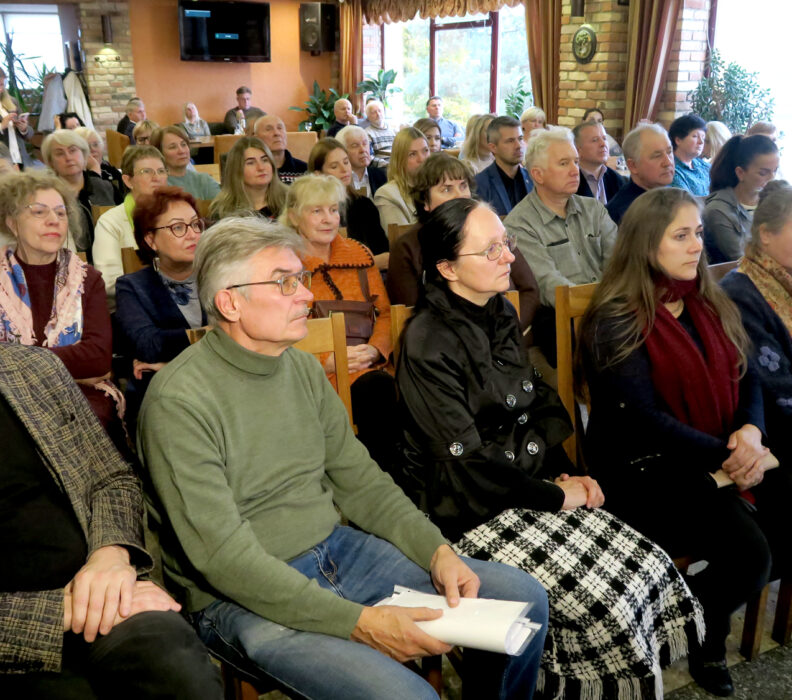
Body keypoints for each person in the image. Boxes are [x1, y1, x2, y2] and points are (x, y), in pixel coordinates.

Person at [137, 216, 549, 700]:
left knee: (524, 599)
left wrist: (436, 551)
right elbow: (223, 558)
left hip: (334, 550)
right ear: (230, 302)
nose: (307, 296)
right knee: (408, 697)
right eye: (285, 283)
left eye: (303, 278)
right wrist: (360, 623)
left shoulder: (299, 369)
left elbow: (361, 480)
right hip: (238, 596)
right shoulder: (179, 401)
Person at [397, 197, 704, 699]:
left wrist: (562, 475)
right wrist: (555, 496)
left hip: (520, 481)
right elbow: (467, 463)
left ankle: (564, 687)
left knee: (646, 565)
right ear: (448, 268)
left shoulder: (496, 308)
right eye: (490, 249)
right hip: (462, 507)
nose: (507, 258)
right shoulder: (427, 341)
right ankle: (545, 685)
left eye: (506, 243)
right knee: (599, 599)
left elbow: (538, 404)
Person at [579, 186, 790, 697]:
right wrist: (732, 453)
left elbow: (747, 377)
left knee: (785, 526)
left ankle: (676, 618)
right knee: (751, 555)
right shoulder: (617, 317)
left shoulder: (704, 299)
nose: (697, 245)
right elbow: (643, 421)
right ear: (647, 244)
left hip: (713, 455)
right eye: (681, 235)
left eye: (697, 232)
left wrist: (751, 432)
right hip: (644, 468)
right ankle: (702, 636)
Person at [0, 343, 223, 700]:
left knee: (180, 671)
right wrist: (66, 610)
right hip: (20, 632)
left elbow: (112, 478)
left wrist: (112, 553)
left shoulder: (31, 369)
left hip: (108, 592)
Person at [281, 173, 397, 463]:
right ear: (294, 216)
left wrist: (375, 350)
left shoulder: (359, 254)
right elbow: (277, 330)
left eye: (333, 210)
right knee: (377, 392)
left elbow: (385, 314)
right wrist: (327, 362)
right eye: (316, 211)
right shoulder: (282, 263)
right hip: (312, 374)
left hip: (368, 364)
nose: (328, 219)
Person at [0, 171, 120, 430]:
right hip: (8, 401)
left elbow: (98, 358)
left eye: (61, 212)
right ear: (12, 222)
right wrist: (68, 362)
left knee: (86, 419)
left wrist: (17, 362)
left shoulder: (88, 279)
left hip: (79, 396)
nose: (54, 220)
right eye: (39, 212)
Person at [387, 152, 539, 334]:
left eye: (463, 185)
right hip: (447, 348)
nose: (460, 195)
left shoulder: (491, 229)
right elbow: (411, 314)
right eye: (446, 189)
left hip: (507, 334)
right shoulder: (407, 248)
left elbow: (529, 290)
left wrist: (507, 332)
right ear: (425, 201)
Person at [505, 127, 617, 366]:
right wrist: (604, 305)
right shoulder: (520, 224)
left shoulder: (594, 209)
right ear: (538, 174)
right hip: (558, 315)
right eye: (564, 163)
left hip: (610, 306)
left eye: (576, 161)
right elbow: (548, 285)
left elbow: (618, 262)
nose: (575, 170)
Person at [115, 187, 207, 437]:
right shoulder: (132, 287)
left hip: (220, 385)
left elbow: (241, 336)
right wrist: (208, 334)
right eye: (178, 227)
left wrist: (170, 364)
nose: (192, 235)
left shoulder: (220, 276)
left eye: (195, 225)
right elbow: (148, 344)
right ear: (150, 240)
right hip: (166, 397)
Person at [721, 180, 792, 464]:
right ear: (765, 234)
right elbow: (775, 389)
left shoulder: (785, 276)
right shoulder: (741, 293)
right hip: (770, 432)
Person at [92, 146, 168, 308]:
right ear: (128, 181)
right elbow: (109, 282)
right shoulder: (110, 222)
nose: (157, 178)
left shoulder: (179, 216)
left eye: (161, 171)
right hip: (133, 307)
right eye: (146, 171)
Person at [308, 138, 388, 268]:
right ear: (318, 174)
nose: (344, 169)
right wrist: (371, 262)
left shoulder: (364, 205)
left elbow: (384, 255)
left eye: (346, 162)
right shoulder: (313, 212)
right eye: (334, 166)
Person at [703, 134, 779, 263]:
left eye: (775, 171)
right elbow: (744, 260)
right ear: (740, 173)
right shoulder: (718, 211)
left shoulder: (775, 201)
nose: (772, 178)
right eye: (763, 173)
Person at [42, 129, 117, 259]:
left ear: (84, 155)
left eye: (73, 150)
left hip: (111, 259)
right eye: (60, 153)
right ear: (51, 162)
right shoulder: (47, 197)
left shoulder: (105, 187)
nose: (68, 157)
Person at [606, 123, 675, 225]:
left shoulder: (674, 195)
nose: (668, 162)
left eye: (669, 152)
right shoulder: (626, 214)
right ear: (633, 165)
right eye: (657, 156)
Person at [209, 136, 286, 221]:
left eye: (265, 160)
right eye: (250, 163)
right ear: (237, 170)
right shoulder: (223, 210)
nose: (261, 168)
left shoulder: (291, 200)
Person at [475, 116, 533, 217]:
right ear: (493, 147)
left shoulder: (533, 178)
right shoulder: (480, 184)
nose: (518, 145)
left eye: (520, 139)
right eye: (510, 141)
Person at [373, 127, 429, 229]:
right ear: (400, 160)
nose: (422, 159)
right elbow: (401, 241)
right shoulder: (387, 194)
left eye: (425, 151)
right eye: (412, 154)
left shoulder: (437, 185)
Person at [152, 125, 220, 200]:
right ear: (160, 153)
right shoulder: (157, 185)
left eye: (184, 145)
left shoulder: (204, 180)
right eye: (172, 147)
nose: (181, 151)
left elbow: (223, 208)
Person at [572, 120, 625, 203]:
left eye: (604, 138)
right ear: (578, 150)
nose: (603, 144)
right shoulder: (570, 181)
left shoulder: (616, 179)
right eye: (595, 140)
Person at [253, 114, 307, 184]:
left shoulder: (304, 170)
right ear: (256, 138)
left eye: (280, 128)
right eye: (268, 129)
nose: (277, 133)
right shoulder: (252, 171)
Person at [75, 126, 125, 201]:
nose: (93, 149)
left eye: (95, 145)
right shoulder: (76, 176)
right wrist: (94, 171)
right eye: (87, 146)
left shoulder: (110, 171)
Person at [336, 124, 387, 197]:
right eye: (355, 145)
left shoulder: (381, 176)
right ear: (342, 151)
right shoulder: (338, 180)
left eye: (365, 144)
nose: (363, 150)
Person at [0, 67, 35, 169]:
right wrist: (2, 126)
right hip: (3, 163)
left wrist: (23, 128)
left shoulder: (12, 101)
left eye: (2, 84)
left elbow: (30, 133)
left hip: (20, 158)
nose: (1, 89)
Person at [670, 113, 711, 197]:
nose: (701, 142)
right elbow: (687, 201)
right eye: (695, 136)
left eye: (703, 138)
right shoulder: (672, 170)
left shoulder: (703, 165)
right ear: (678, 140)